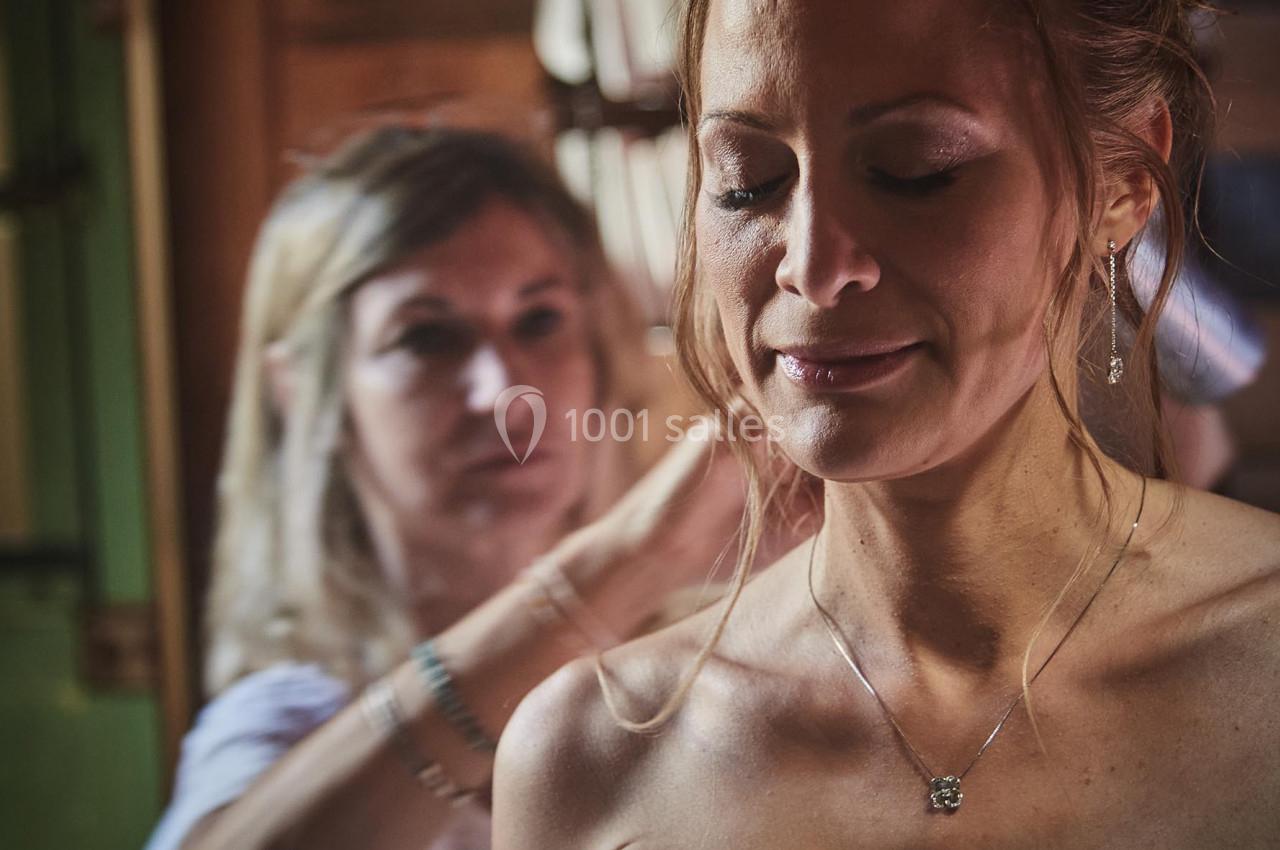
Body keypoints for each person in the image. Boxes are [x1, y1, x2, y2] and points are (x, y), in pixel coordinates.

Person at [493, 1, 1280, 847]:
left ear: (1120, 183)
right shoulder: (597, 756)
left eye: (916, 168)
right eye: (746, 180)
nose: (815, 265)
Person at [145, 125, 812, 850]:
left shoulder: (705, 671)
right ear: (306, 393)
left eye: (539, 319)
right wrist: (638, 552)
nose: (501, 389)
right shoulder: (293, 722)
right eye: (426, 338)